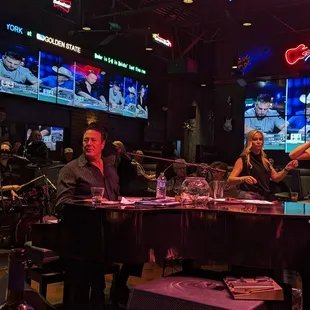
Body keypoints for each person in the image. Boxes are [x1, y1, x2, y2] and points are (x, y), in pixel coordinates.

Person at [56, 123, 119, 207]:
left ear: (102, 144)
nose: (88, 143)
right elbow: (61, 204)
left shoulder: (110, 168)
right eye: (86, 140)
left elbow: (116, 197)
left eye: (93, 140)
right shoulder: (70, 169)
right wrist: (89, 202)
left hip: (110, 219)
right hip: (85, 219)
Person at [228, 130, 298, 201]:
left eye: (260, 139)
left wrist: (286, 169)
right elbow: (230, 180)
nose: (258, 142)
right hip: (248, 196)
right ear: (249, 142)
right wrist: (244, 178)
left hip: (264, 197)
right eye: (255, 139)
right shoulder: (243, 159)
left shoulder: (265, 160)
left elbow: (276, 178)